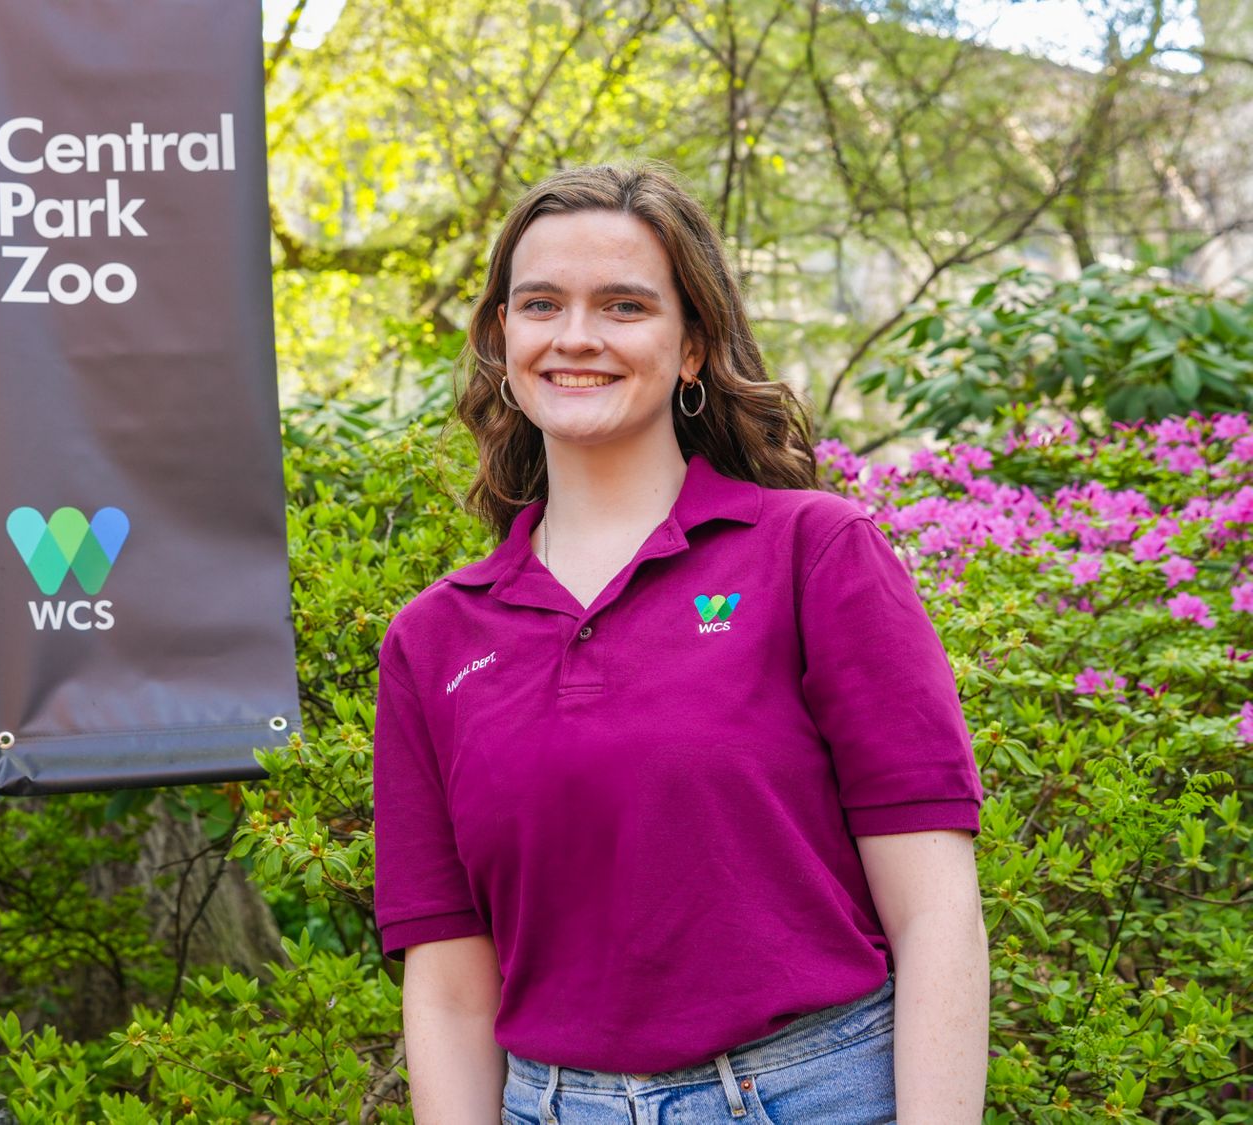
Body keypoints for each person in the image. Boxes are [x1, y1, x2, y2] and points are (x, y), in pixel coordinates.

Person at [371, 163, 989, 1124]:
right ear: (503, 339)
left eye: (624, 305)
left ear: (692, 345)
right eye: (541, 304)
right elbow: (451, 988)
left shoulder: (812, 554)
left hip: (811, 1095)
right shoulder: (432, 640)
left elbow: (937, 913)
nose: (576, 336)